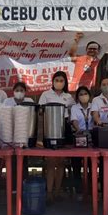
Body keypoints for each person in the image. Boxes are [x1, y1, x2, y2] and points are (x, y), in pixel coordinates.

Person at [39, 71, 75, 203]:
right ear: (53, 81)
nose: (59, 82)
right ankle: (49, 193)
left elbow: (72, 113)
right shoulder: (46, 95)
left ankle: (58, 191)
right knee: (51, 162)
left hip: (63, 128)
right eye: (57, 80)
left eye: (61, 80)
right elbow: (41, 113)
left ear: (65, 82)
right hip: (49, 128)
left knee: (60, 162)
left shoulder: (68, 97)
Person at [70, 86, 94, 200]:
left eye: (85, 93)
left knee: (91, 164)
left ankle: (91, 189)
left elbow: (97, 117)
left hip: (92, 136)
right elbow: (74, 120)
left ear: (89, 95)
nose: (83, 96)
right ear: (78, 97)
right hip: (79, 136)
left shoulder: (93, 106)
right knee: (76, 163)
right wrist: (78, 130)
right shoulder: (75, 108)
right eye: (81, 94)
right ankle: (78, 189)